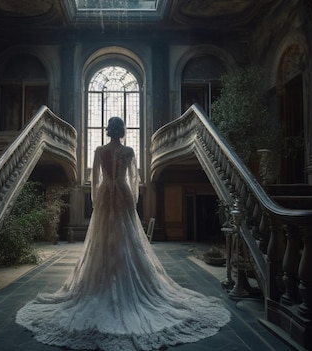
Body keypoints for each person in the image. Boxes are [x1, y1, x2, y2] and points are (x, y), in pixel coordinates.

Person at [16, 117, 230, 351]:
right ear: (122, 131)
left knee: (103, 238)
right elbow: (133, 181)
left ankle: (102, 280)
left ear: (108, 130)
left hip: (106, 196)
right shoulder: (128, 151)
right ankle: (126, 278)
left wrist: (98, 200)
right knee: (128, 238)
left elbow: (95, 180)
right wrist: (130, 199)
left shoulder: (99, 151)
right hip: (123, 196)